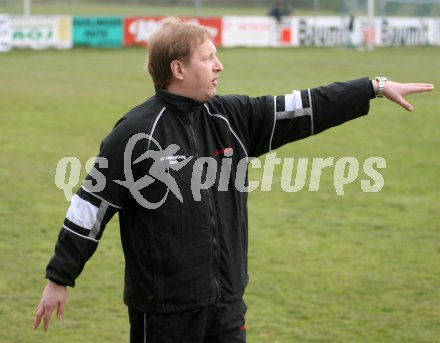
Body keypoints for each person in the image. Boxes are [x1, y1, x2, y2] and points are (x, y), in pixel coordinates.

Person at [33, 17, 434, 342]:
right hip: (164, 313)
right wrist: (60, 277)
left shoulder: (233, 118)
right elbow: (91, 205)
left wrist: (373, 88)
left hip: (227, 304)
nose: (219, 66)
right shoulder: (137, 133)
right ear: (179, 68)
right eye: (209, 58)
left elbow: (304, 105)